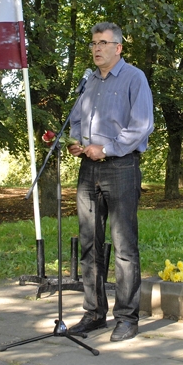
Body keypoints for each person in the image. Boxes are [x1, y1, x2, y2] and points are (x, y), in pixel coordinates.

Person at [66, 22, 154, 342]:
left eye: (103, 43)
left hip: (121, 167)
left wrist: (107, 149)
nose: (96, 48)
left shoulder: (134, 78)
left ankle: (127, 318)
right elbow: (76, 118)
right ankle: (93, 313)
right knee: (89, 242)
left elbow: (142, 125)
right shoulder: (88, 82)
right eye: (93, 43)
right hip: (88, 171)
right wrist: (77, 142)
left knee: (124, 246)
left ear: (118, 48)